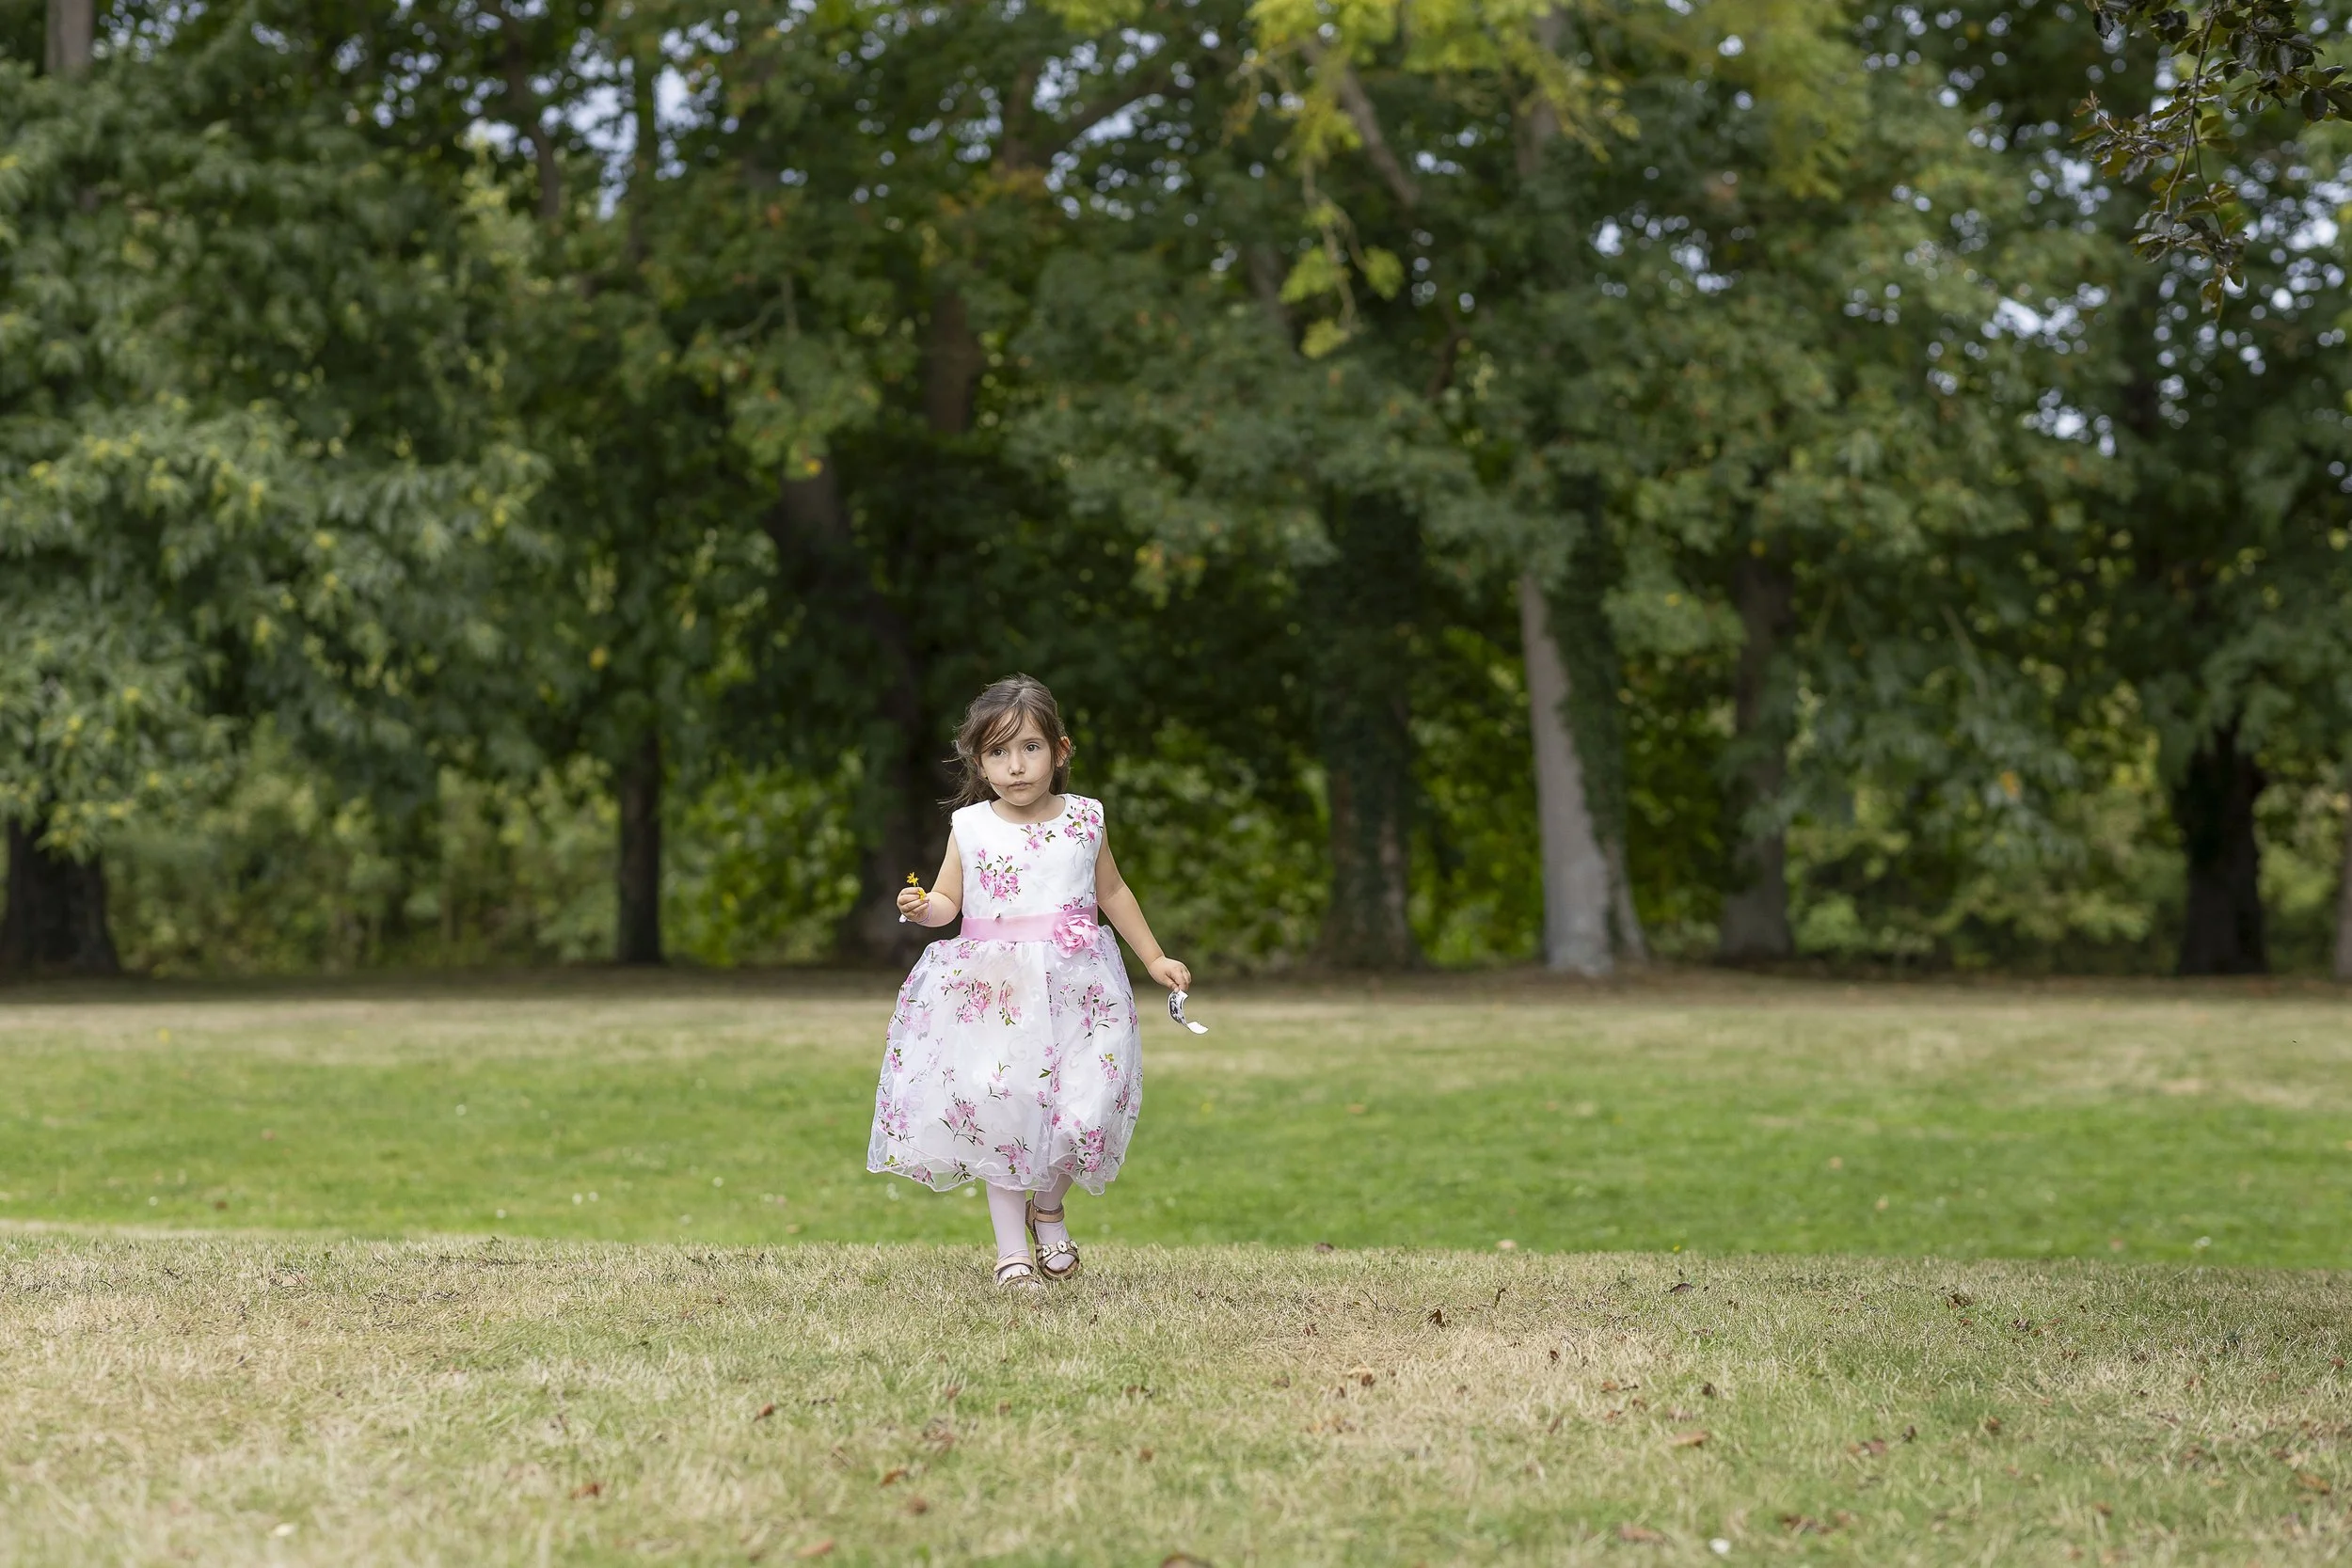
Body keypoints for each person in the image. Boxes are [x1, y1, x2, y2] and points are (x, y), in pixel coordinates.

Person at [866, 674, 1191, 1293]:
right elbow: (948, 903)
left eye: (1030, 748)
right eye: (998, 752)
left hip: (1080, 987)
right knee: (1005, 1109)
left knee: (1087, 1107)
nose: (1015, 766)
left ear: (1060, 750)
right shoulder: (972, 827)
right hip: (1001, 992)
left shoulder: (1084, 819)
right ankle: (1012, 1252)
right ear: (979, 760)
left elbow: (1112, 891)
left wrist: (1153, 958)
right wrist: (921, 906)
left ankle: (1049, 1206)